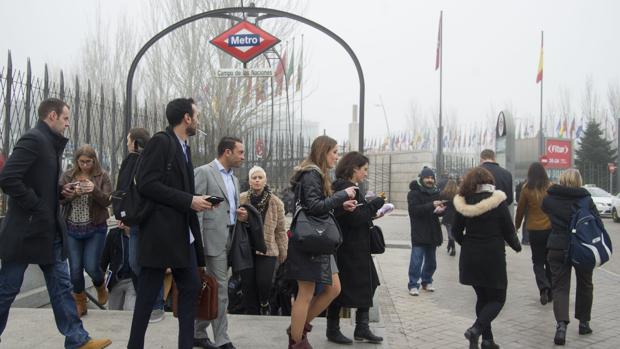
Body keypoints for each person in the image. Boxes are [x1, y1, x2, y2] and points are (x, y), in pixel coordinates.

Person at [0, 98, 111, 348]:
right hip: (25, 233)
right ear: (51, 116)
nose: (67, 124)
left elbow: (42, 186)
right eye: (65, 119)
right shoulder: (33, 140)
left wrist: (62, 192)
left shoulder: (49, 145)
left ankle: (77, 339)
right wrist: (38, 206)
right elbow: (8, 178)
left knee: (62, 287)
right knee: (7, 289)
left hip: (47, 232)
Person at [127, 97, 209, 349]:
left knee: (191, 287)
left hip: (180, 234)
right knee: (148, 295)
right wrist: (189, 200)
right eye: (195, 115)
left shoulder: (184, 147)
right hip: (159, 233)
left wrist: (196, 201)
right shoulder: (161, 143)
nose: (197, 120)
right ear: (186, 118)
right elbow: (148, 184)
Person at [285, 135, 357, 349]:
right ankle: (296, 341)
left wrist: (340, 206)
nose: (337, 156)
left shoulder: (317, 174)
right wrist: (342, 195)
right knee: (305, 293)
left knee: (333, 289)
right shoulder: (311, 174)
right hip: (309, 241)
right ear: (323, 151)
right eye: (334, 151)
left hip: (318, 240)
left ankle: (297, 328)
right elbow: (315, 206)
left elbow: (317, 207)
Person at [452, 167, 521, 349]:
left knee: (482, 298)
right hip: (493, 257)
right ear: (489, 182)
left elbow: (455, 231)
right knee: (498, 298)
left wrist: (467, 244)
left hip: (470, 257)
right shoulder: (497, 201)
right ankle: (475, 330)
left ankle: (487, 341)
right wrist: (517, 246)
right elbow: (508, 229)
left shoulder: (463, 202)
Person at [327, 151, 385, 344]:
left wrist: (372, 211)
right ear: (354, 169)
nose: (366, 174)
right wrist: (375, 204)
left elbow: (358, 215)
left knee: (371, 283)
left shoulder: (350, 187)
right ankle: (333, 329)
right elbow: (355, 217)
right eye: (364, 170)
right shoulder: (346, 188)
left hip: (357, 246)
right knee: (340, 290)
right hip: (348, 248)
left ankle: (362, 327)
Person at [194, 136, 247, 349]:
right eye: (240, 152)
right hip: (210, 241)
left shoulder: (234, 179)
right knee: (220, 289)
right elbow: (196, 210)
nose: (243, 157)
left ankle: (197, 333)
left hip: (230, 239)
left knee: (213, 288)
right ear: (227, 152)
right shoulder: (204, 172)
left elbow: (227, 209)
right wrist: (198, 246)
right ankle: (222, 339)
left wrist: (238, 214)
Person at [117, 128, 167, 322]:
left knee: (146, 263)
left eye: (129, 141)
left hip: (148, 219)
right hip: (135, 219)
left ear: (136, 142)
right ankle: (147, 301)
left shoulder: (145, 161)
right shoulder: (130, 161)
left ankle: (156, 305)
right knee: (135, 263)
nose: (127, 145)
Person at [542, 169, 596, 346]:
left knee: (560, 287)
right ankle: (584, 323)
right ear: (579, 181)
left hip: (557, 246)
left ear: (562, 180)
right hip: (582, 247)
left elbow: (544, 209)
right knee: (585, 284)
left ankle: (561, 327)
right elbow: (596, 222)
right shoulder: (586, 199)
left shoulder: (550, 198)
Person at [60, 145, 112, 316]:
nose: (85, 165)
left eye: (88, 162)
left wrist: (93, 190)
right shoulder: (68, 175)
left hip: (95, 227)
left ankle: (100, 284)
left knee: (91, 266)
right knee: (74, 270)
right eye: (81, 162)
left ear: (94, 160)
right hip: (72, 227)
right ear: (76, 161)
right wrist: (71, 193)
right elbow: (60, 198)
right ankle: (80, 301)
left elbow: (107, 201)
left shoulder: (102, 176)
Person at [238, 166, 288, 315]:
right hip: (246, 247)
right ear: (249, 181)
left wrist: (283, 249)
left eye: (260, 177)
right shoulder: (241, 198)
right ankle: (252, 313)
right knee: (247, 284)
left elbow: (280, 229)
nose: (257, 180)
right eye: (254, 177)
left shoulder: (276, 202)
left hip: (268, 248)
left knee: (264, 282)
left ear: (265, 180)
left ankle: (265, 303)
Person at [515, 162, 553, 305]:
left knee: (537, 261)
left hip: (534, 230)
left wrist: (517, 226)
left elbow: (520, 210)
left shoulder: (526, 189)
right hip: (550, 229)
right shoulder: (550, 187)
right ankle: (551, 292)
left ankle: (543, 287)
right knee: (550, 261)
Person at [407, 166, 444, 296]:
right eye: (427, 178)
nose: (429, 180)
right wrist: (431, 205)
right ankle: (413, 284)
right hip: (419, 231)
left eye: (431, 178)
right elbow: (414, 211)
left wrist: (440, 210)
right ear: (421, 179)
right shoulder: (414, 193)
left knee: (431, 261)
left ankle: (427, 281)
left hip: (433, 232)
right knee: (416, 260)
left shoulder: (436, 192)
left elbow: (437, 212)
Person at [100, 227, 136, 311]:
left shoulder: (139, 233)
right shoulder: (113, 234)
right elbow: (105, 257)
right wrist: (100, 281)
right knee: (114, 312)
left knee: (130, 310)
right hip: (116, 280)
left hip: (133, 281)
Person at [440, 179, 458, 256]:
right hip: (456, 215)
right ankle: (450, 245)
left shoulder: (443, 194)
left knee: (449, 232)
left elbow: (441, 204)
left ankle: (453, 248)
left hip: (447, 215)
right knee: (451, 232)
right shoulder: (458, 194)